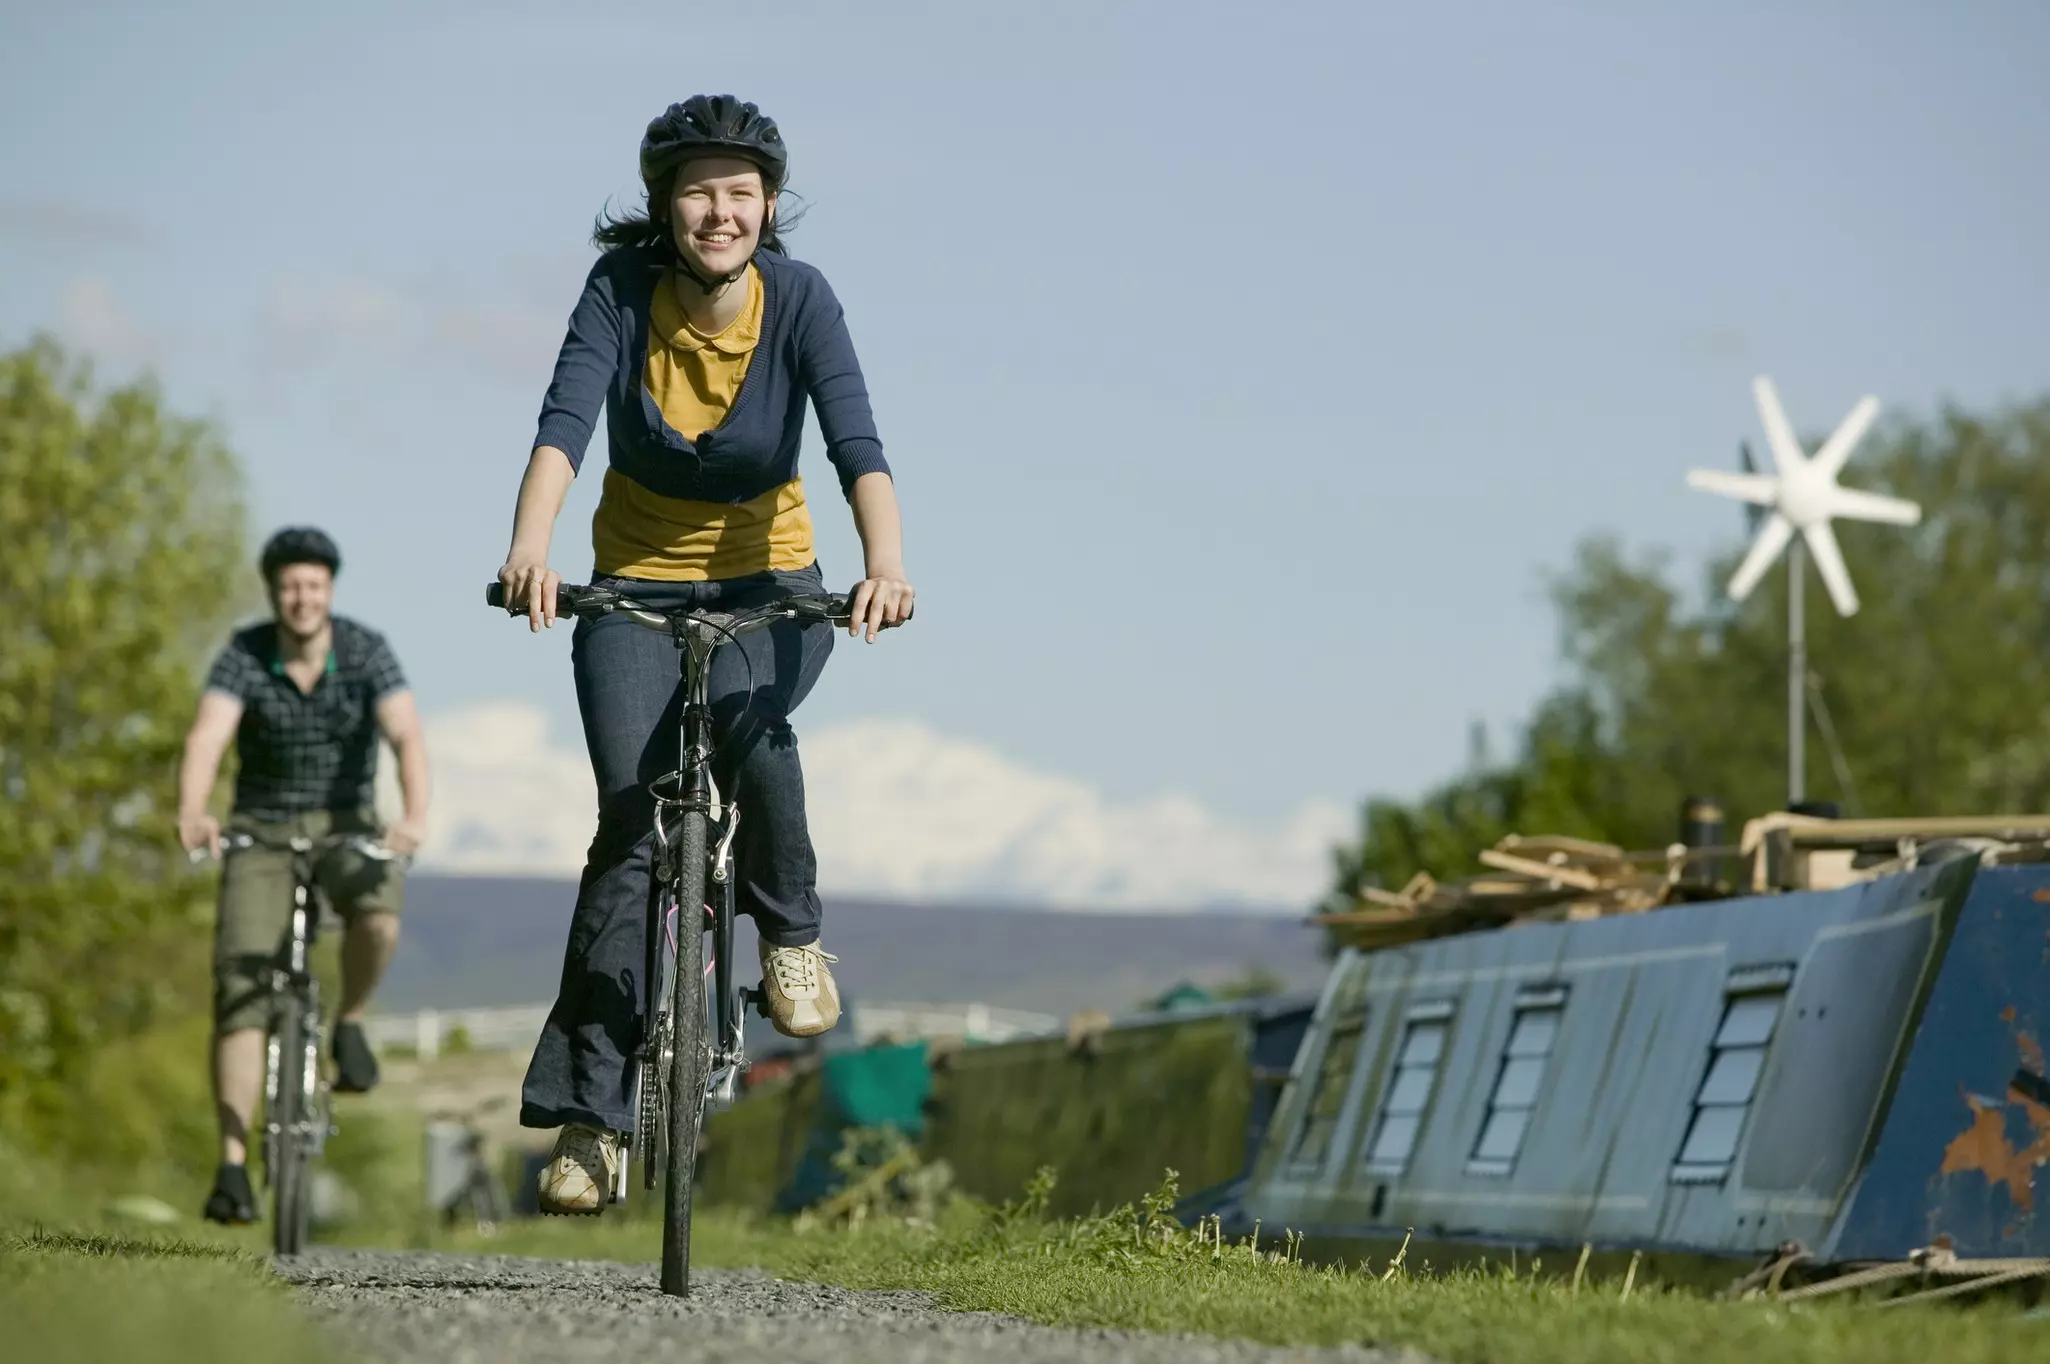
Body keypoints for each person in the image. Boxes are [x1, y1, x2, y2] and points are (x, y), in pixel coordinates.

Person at [496, 94, 914, 1214]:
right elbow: (563, 424)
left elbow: (855, 441)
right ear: (663, 207)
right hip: (630, 588)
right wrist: (530, 548)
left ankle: (790, 932)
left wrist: (885, 562)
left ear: (767, 206)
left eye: (739, 192)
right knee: (631, 824)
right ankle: (591, 1120)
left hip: (769, 585)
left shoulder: (803, 299)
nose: (718, 212)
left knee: (753, 730)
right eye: (697, 191)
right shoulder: (618, 293)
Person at [177, 527, 431, 1224]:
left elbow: (406, 734)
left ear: (330, 590)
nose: (301, 597)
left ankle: (347, 1022)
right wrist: (193, 810)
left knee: (377, 914)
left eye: (313, 585)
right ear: (273, 591)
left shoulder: (365, 650)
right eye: (290, 585)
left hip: (348, 824)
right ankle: (232, 1168)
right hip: (260, 829)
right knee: (241, 990)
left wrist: (411, 816)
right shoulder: (245, 655)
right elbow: (208, 736)